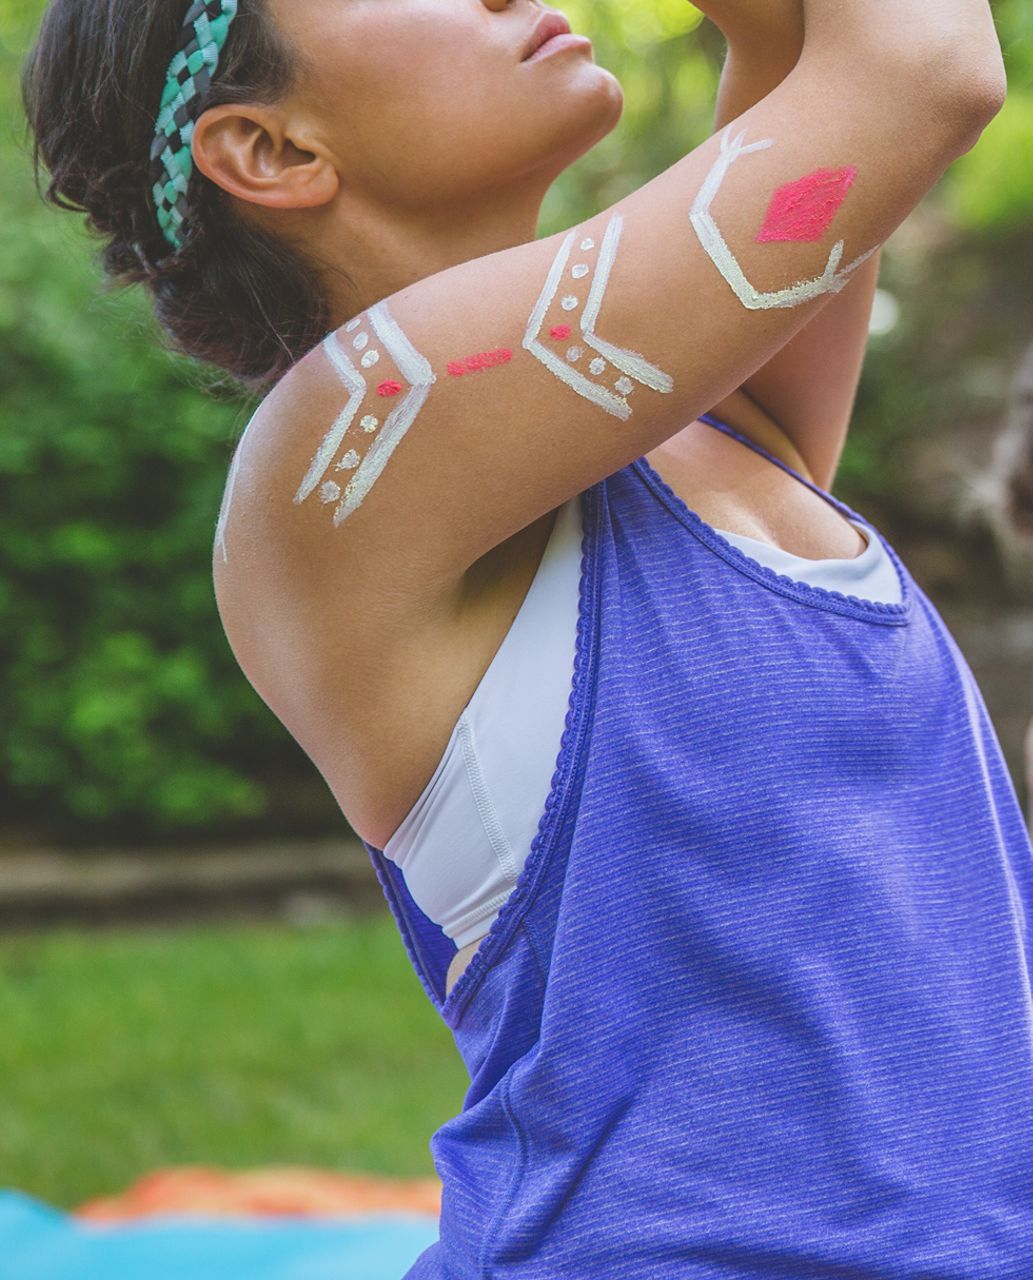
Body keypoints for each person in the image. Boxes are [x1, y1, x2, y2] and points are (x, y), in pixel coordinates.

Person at [23, 0, 1030, 1273]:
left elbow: (801, 47)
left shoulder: (715, 425)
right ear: (271, 151)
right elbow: (920, 65)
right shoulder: (352, 443)